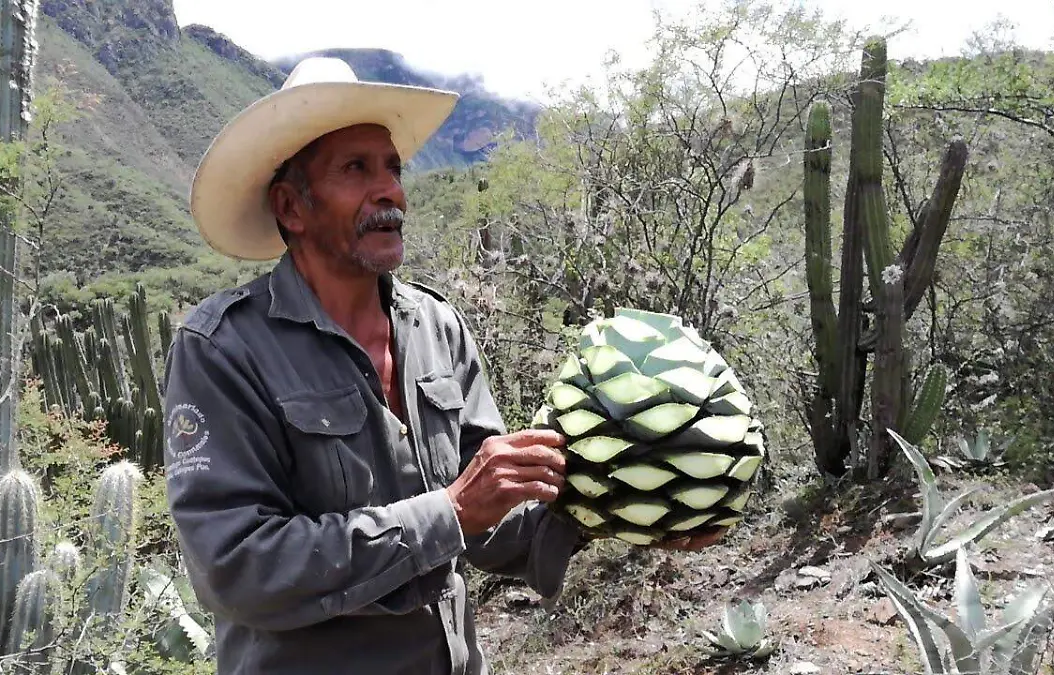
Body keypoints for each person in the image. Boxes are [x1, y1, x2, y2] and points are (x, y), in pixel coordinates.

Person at [162, 57, 724, 675]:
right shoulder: (221, 350)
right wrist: (449, 512)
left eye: (393, 169)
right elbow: (235, 567)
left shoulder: (436, 327)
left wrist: (639, 506)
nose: (391, 192)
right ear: (292, 207)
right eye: (356, 169)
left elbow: (493, 522)